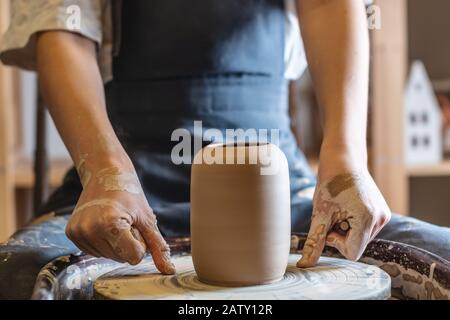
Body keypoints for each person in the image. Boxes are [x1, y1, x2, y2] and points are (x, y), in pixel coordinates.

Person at [1, 0, 449, 299]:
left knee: (439, 261)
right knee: (21, 277)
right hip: (122, 189)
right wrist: (104, 174)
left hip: (279, 192)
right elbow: (64, 28)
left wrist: (347, 160)